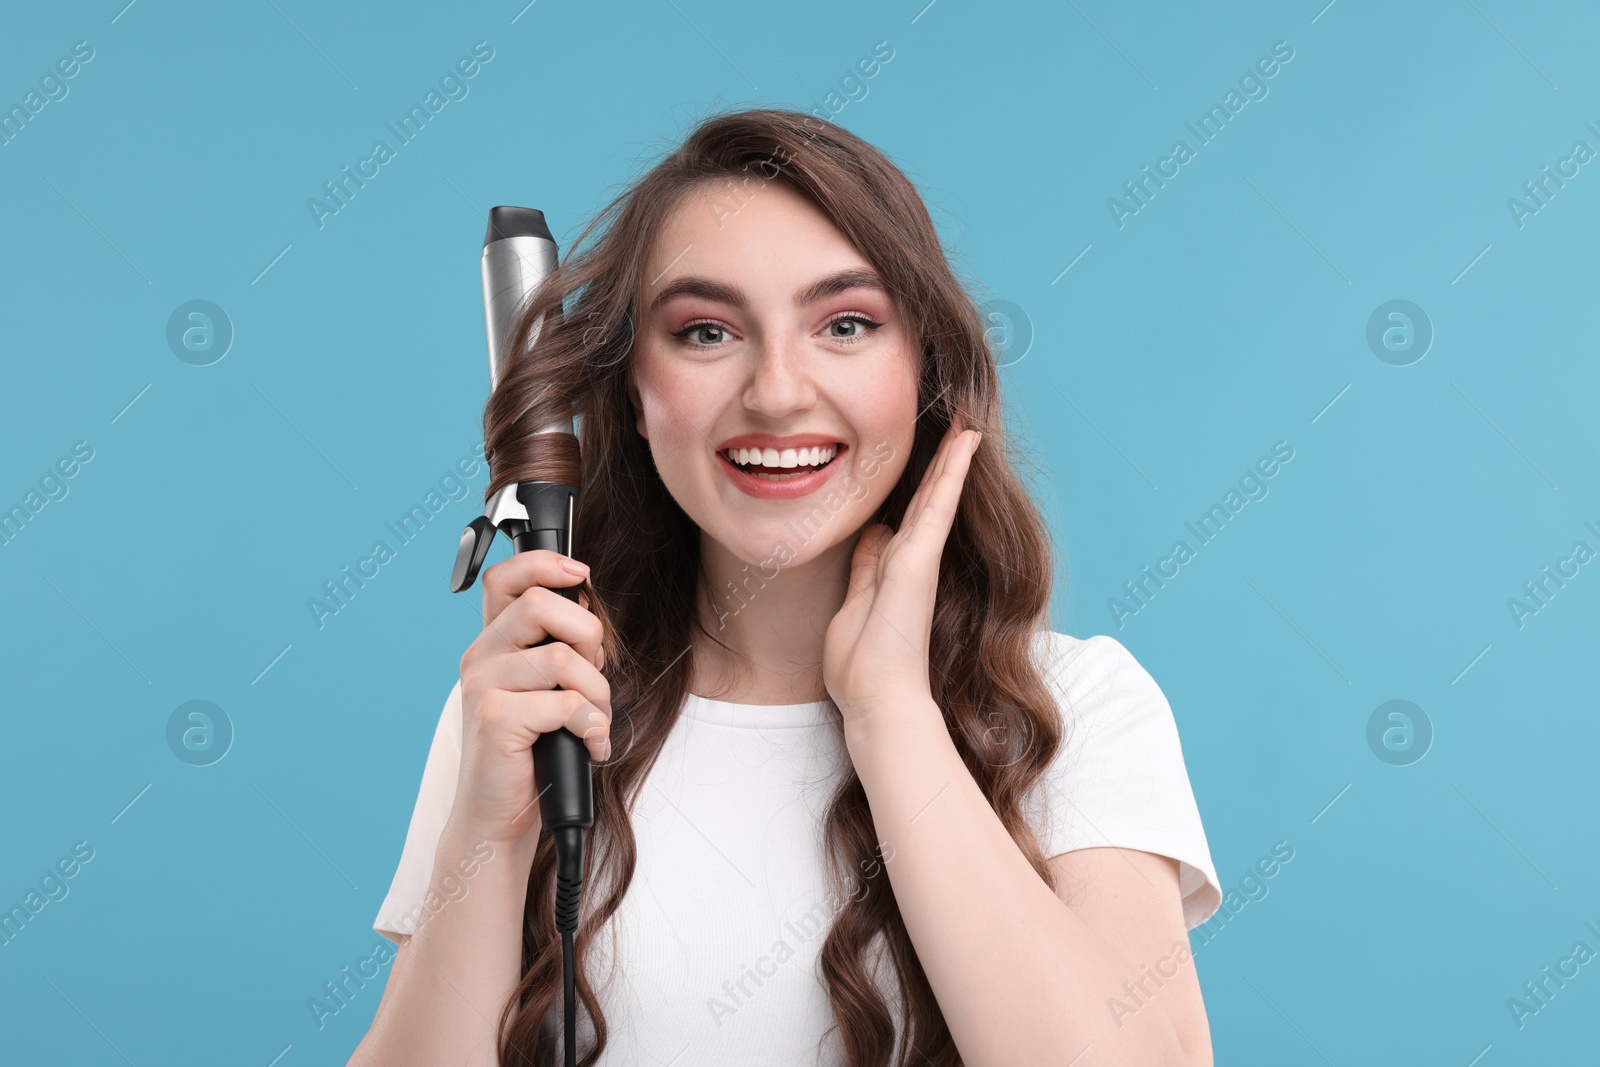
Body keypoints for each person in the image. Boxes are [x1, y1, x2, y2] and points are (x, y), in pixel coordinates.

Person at [350, 106, 1221, 1066]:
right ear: (634, 390)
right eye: (707, 331)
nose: (776, 391)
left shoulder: (1076, 711)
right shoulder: (535, 707)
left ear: (924, 368)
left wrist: (891, 715)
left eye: (845, 324)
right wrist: (492, 823)